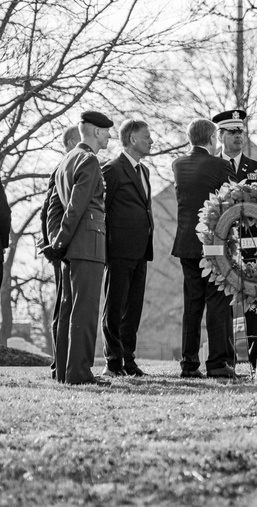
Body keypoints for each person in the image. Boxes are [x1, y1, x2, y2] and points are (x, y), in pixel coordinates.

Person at [39, 110, 113, 386]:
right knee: (85, 310)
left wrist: (56, 242)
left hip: (70, 247)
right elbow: (76, 206)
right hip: (87, 243)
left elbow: (51, 209)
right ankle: (79, 373)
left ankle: (64, 372)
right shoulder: (89, 160)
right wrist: (59, 243)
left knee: (69, 308)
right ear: (95, 131)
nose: (108, 136)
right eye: (106, 131)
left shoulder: (65, 161)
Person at [171, 118, 237, 379]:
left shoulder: (178, 164)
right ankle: (218, 363)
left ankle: (188, 364)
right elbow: (232, 202)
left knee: (192, 305)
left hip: (186, 244)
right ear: (212, 139)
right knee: (218, 303)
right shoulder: (221, 166)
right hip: (212, 245)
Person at [213, 108, 257, 371]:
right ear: (220, 135)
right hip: (222, 250)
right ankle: (225, 362)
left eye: (241, 131)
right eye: (232, 132)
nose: (239, 136)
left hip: (254, 251)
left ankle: (256, 362)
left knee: (256, 308)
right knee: (223, 308)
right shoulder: (211, 167)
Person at [100, 119, 155, 378]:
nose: (151, 141)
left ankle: (129, 360)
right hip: (119, 250)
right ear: (132, 139)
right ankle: (113, 362)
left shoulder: (143, 171)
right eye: (147, 137)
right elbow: (103, 210)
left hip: (141, 250)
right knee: (114, 308)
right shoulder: (112, 169)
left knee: (132, 310)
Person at [39, 126, 81, 379]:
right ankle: (59, 363)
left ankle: (63, 362)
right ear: (71, 143)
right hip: (62, 248)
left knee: (66, 304)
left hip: (68, 245)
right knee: (62, 306)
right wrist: (54, 244)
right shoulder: (62, 169)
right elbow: (50, 211)